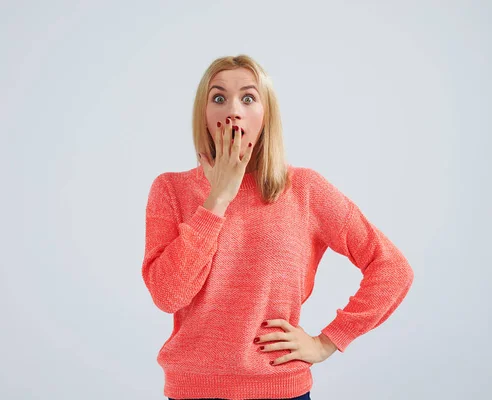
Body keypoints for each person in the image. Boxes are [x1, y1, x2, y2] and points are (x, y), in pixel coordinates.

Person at [142, 54, 414, 400]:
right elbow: (168, 295)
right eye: (219, 97)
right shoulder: (170, 190)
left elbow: (392, 268)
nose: (233, 109)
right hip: (192, 392)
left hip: (281, 391)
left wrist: (327, 342)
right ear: (204, 114)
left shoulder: (305, 189)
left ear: (266, 113)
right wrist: (218, 199)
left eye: (249, 97)